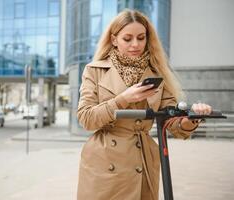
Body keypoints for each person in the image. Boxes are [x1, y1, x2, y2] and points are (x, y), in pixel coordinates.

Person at [77, 9, 212, 200]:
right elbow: (86, 119)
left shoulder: (157, 73)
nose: (136, 44)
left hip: (142, 161)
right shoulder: (94, 70)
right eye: (127, 38)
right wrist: (124, 98)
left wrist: (194, 118)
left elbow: (172, 123)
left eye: (141, 38)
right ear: (114, 40)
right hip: (105, 163)